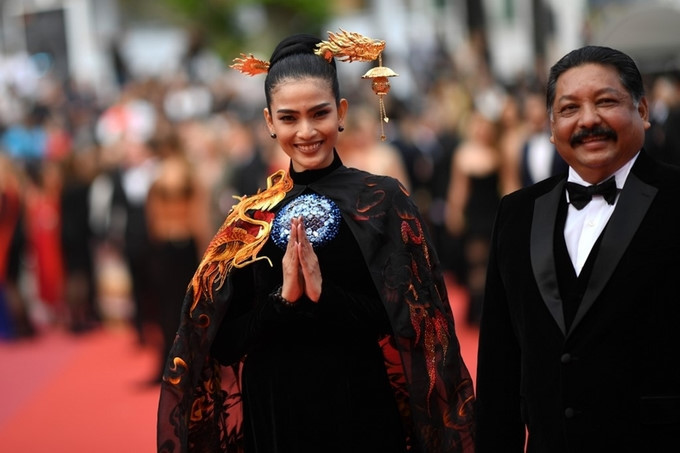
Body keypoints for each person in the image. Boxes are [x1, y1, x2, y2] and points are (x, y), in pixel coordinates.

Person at [157, 32, 475, 453]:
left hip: (359, 410)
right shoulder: (250, 218)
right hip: (273, 418)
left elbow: (416, 323)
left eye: (319, 114)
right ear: (270, 122)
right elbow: (221, 340)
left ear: (341, 112)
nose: (306, 131)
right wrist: (281, 303)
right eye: (289, 118)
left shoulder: (383, 202)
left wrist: (325, 295)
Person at [474, 45, 680, 452]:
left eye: (606, 102)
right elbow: (500, 365)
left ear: (642, 110)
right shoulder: (516, 214)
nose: (589, 120)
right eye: (569, 109)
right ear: (551, 126)